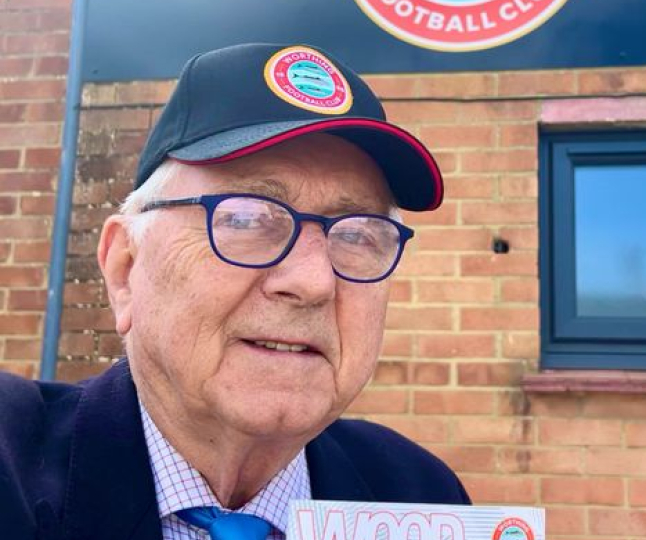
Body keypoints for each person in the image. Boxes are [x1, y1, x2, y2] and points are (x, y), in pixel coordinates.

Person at [0, 43, 469, 540]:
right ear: (125, 269)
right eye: (246, 218)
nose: (313, 282)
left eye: (356, 235)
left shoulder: (419, 494)